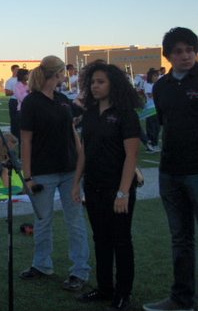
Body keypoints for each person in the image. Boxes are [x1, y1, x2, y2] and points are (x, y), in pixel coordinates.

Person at [71, 62, 141, 311]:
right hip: (94, 186)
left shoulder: (125, 113)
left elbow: (131, 156)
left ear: (113, 84)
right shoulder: (89, 114)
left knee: (121, 240)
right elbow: (84, 153)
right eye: (92, 82)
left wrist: (123, 192)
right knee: (100, 239)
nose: (95, 86)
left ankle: (123, 293)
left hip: (117, 188)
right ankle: (104, 289)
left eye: (101, 81)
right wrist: (76, 183)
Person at [19, 55, 90, 291]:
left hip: (70, 170)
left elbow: (73, 133)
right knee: (43, 221)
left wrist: (81, 162)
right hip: (43, 172)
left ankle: (80, 271)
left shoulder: (62, 100)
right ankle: (41, 265)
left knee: (76, 221)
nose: (66, 76)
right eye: (64, 72)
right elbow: (26, 142)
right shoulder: (31, 102)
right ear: (58, 73)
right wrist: (27, 176)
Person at [144, 27, 198, 311]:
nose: (186, 55)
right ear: (169, 55)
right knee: (180, 239)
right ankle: (182, 299)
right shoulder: (161, 86)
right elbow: (165, 124)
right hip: (170, 172)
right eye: (178, 51)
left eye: (190, 49)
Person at [144, 68, 161, 152]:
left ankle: (155, 144)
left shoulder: (156, 85)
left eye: (157, 75)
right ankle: (150, 146)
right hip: (150, 109)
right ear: (151, 76)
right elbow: (150, 95)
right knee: (151, 128)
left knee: (157, 128)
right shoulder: (148, 84)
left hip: (156, 108)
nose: (156, 77)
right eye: (155, 75)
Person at [12, 68, 30, 144]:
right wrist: (28, 91)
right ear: (23, 76)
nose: (28, 76)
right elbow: (21, 98)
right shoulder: (17, 86)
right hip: (21, 111)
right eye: (27, 74)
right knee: (22, 136)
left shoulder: (29, 85)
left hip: (30, 111)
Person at [4, 64, 20, 137]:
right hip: (14, 101)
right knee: (14, 119)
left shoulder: (21, 80)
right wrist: (16, 91)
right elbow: (7, 93)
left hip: (21, 101)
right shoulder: (9, 81)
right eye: (17, 69)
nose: (18, 71)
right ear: (13, 70)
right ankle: (13, 135)